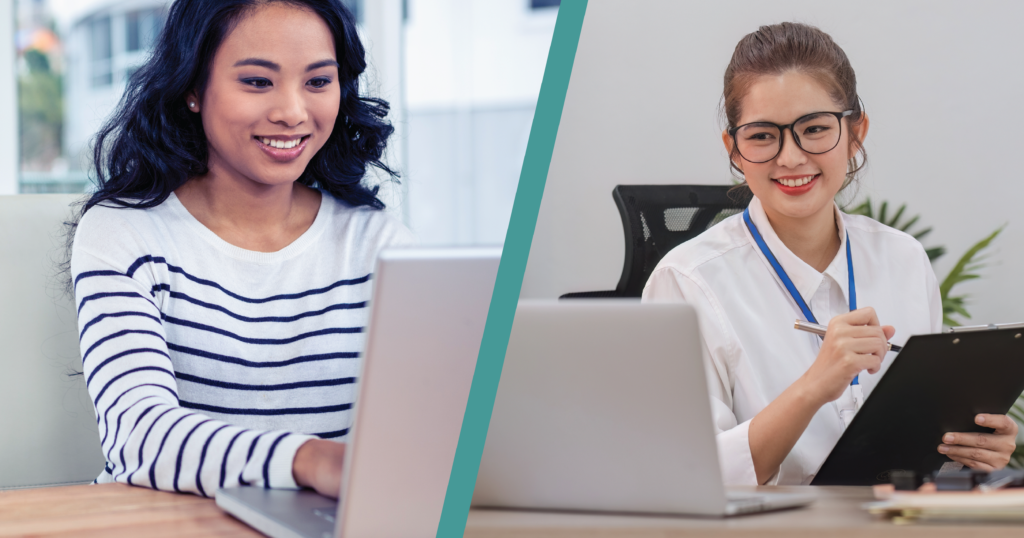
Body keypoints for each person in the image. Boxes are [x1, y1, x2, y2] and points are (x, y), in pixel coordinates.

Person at [642, 22, 1016, 485]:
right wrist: (814, 387)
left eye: (814, 129)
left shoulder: (902, 259)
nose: (791, 157)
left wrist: (972, 451)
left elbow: (926, 452)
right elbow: (685, 476)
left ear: (855, 132)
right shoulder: (688, 280)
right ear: (734, 150)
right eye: (762, 136)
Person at [68, 0, 412, 498]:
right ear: (192, 88)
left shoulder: (378, 242)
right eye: (257, 82)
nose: (292, 112)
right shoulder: (124, 232)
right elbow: (137, 436)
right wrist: (307, 458)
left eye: (317, 82)